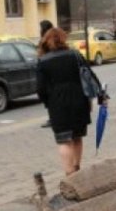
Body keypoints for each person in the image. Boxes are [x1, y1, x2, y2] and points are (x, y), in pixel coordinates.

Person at [36, 27, 105, 174]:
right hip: (79, 100)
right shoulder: (74, 55)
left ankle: (69, 173)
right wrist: (98, 95)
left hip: (57, 104)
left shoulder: (43, 61)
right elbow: (89, 75)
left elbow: (40, 88)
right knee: (77, 137)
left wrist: (48, 102)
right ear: (63, 39)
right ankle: (77, 168)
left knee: (63, 141)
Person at [39, 20, 54, 128]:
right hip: (49, 70)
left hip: (49, 71)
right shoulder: (52, 37)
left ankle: (52, 118)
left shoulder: (47, 40)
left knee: (50, 96)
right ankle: (53, 118)